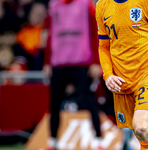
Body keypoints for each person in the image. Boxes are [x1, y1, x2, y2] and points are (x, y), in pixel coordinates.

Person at [96, 0, 148, 149]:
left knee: (141, 128)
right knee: (140, 133)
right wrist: (108, 75)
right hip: (122, 79)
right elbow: (104, 46)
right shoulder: (102, 5)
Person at [43, 0, 103, 149]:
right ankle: (53, 142)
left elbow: (94, 33)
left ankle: (99, 140)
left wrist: (96, 61)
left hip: (81, 61)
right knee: (54, 104)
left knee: (89, 102)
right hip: (58, 62)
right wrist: (47, 61)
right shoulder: (53, 5)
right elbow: (51, 33)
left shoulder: (86, 4)